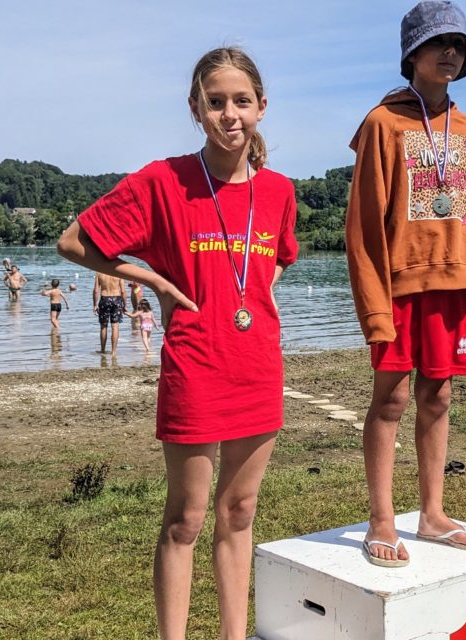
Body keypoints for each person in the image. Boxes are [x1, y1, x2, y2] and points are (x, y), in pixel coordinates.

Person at [56, 46, 298, 639]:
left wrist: (253, 299)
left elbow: (280, 260)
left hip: (257, 365)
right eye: (215, 102)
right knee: (185, 519)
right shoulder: (163, 181)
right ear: (196, 108)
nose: (229, 114)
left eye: (241, 101)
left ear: (262, 107)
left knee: (239, 514)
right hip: (194, 365)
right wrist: (156, 280)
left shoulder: (280, 192)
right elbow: (73, 242)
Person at [344, 0, 466, 567]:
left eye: (458, 45)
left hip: (456, 287)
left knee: (439, 397)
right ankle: (382, 518)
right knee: (390, 401)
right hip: (397, 289)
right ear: (413, 54)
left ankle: (432, 514)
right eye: (441, 44)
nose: (451, 54)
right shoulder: (382, 124)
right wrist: (374, 308)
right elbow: (362, 229)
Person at [93, 272, 126, 353]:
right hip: (116, 299)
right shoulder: (119, 273)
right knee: (115, 327)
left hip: (104, 299)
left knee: (103, 326)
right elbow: (123, 291)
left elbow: (96, 291)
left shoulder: (99, 272)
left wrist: (95, 304)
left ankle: (102, 350)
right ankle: (113, 351)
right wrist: (125, 304)